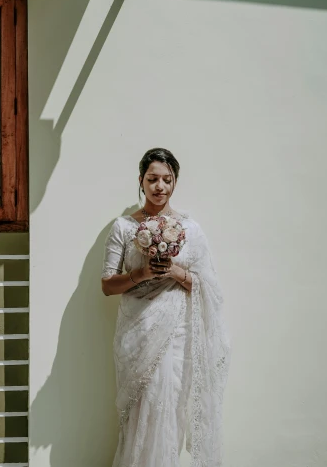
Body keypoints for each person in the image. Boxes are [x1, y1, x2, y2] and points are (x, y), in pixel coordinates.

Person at [101, 148, 231, 467]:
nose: (160, 186)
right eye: (153, 179)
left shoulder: (191, 230)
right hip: (139, 331)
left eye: (166, 179)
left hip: (176, 333)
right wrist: (142, 273)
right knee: (143, 408)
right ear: (141, 181)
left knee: (170, 404)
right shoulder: (123, 227)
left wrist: (174, 271)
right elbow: (107, 285)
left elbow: (209, 286)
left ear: (175, 183)